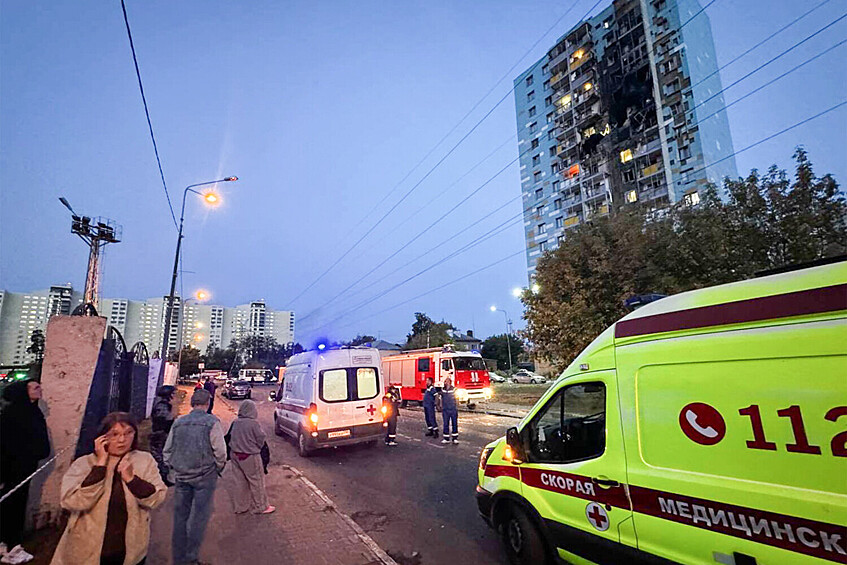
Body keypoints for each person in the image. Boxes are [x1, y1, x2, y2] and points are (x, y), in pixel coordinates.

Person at [51, 412, 167, 565]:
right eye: (114, 434)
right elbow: (71, 501)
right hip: (86, 550)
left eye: (128, 433)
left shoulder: (144, 461)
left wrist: (132, 480)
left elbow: (157, 499)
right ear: (102, 437)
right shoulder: (84, 464)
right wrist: (100, 466)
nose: (122, 440)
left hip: (131, 550)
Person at [164, 388, 226, 565]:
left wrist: (173, 469)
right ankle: (191, 558)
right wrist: (218, 468)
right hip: (204, 477)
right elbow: (220, 452)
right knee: (199, 517)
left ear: (192, 403)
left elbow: (168, 450)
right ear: (207, 403)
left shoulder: (179, 422)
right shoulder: (212, 422)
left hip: (182, 476)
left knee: (180, 518)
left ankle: (178, 560)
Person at [0, 380, 50, 565]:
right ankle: (11, 546)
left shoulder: (33, 412)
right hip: (11, 470)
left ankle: (9, 543)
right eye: (35, 387)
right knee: (11, 507)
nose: (39, 389)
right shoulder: (12, 414)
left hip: (25, 468)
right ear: (24, 391)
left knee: (17, 506)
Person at [224, 400, 274, 515]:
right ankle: (261, 506)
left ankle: (240, 507)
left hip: (235, 455)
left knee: (239, 482)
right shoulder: (253, 423)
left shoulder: (235, 422)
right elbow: (261, 438)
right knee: (257, 481)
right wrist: (257, 447)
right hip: (250, 456)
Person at [149, 385, 175, 486]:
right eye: (172, 393)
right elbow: (162, 421)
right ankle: (162, 477)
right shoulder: (162, 406)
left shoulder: (162, 404)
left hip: (161, 433)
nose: (173, 395)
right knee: (160, 456)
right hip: (160, 434)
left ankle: (162, 476)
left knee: (161, 455)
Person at [440, 377, 459, 444]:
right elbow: (441, 398)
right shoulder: (443, 390)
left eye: (447, 381)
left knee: (454, 424)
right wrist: (441, 406)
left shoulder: (454, 389)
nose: (446, 382)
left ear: (450, 382)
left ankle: (455, 438)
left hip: (453, 409)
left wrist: (456, 407)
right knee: (445, 424)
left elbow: (457, 399)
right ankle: (446, 438)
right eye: (445, 381)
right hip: (445, 409)